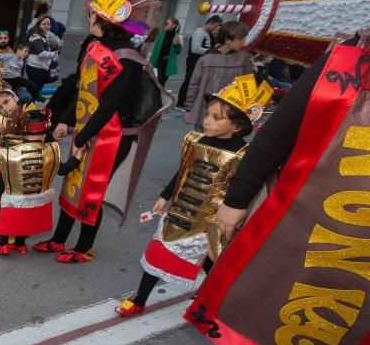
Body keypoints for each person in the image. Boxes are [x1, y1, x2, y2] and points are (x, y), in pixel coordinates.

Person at [177, 34, 370, 345]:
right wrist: (237, 197)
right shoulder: (343, 62)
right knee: (263, 309)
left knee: (329, 327)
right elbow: (279, 132)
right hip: (300, 219)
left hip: (361, 250)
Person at [115, 76, 269, 317]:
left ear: (238, 126)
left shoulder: (243, 154)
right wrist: (165, 196)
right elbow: (182, 171)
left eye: (217, 118)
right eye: (207, 114)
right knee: (160, 249)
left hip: (215, 218)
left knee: (212, 261)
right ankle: (140, 298)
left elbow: (245, 188)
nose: (207, 121)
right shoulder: (194, 140)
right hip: (181, 210)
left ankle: (208, 302)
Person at [34, 0, 157, 264]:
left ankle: (84, 247)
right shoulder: (94, 46)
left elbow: (109, 106)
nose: (89, 20)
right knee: (72, 184)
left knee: (91, 191)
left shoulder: (128, 58)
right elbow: (83, 90)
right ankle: (59, 239)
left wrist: (83, 139)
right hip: (89, 129)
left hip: (111, 136)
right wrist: (65, 120)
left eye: (93, 17)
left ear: (106, 22)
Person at [0, 91, 59, 255]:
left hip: (19, 166)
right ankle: (19, 243)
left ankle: (5, 244)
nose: (5, 108)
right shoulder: (3, 119)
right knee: (23, 209)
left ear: (15, 98)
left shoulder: (30, 115)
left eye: (6, 102)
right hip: (17, 166)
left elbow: (47, 140)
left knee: (11, 208)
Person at [184, 21, 254, 130]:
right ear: (227, 40)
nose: (244, 43)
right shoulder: (206, 59)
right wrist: (189, 109)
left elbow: (249, 85)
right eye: (241, 39)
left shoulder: (244, 59)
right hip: (205, 110)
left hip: (231, 112)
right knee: (202, 141)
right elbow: (194, 85)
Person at [177, 15, 222, 109]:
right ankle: (181, 103)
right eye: (215, 26)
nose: (216, 28)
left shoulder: (208, 34)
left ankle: (189, 102)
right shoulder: (199, 33)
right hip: (194, 61)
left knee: (196, 82)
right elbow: (195, 49)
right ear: (210, 23)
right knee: (189, 81)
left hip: (202, 62)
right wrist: (210, 50)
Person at [25, 15, 61, 102]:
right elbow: (41, 53)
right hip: (36, 67)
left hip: (38, 66)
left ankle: (28, 109)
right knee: (35, 91)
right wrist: (53, 54)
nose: (47, 26)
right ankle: (28, 110)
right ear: (39, 25)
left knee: (34, 90)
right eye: (44, 24)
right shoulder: (37, 37)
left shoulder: (44, 35)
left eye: (48, 24)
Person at [149, 17, 183, 87]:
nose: (165, 25)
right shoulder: (161, 35)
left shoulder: (179, 37)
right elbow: (155, 50)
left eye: (167, 24)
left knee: (161, 83)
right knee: (155, 82)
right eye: (165, 23)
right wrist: (150, 63)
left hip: (167, 64)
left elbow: (178, 52)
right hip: (157, 63)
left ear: (173, 25)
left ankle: (158, 97)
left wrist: (176, 45)